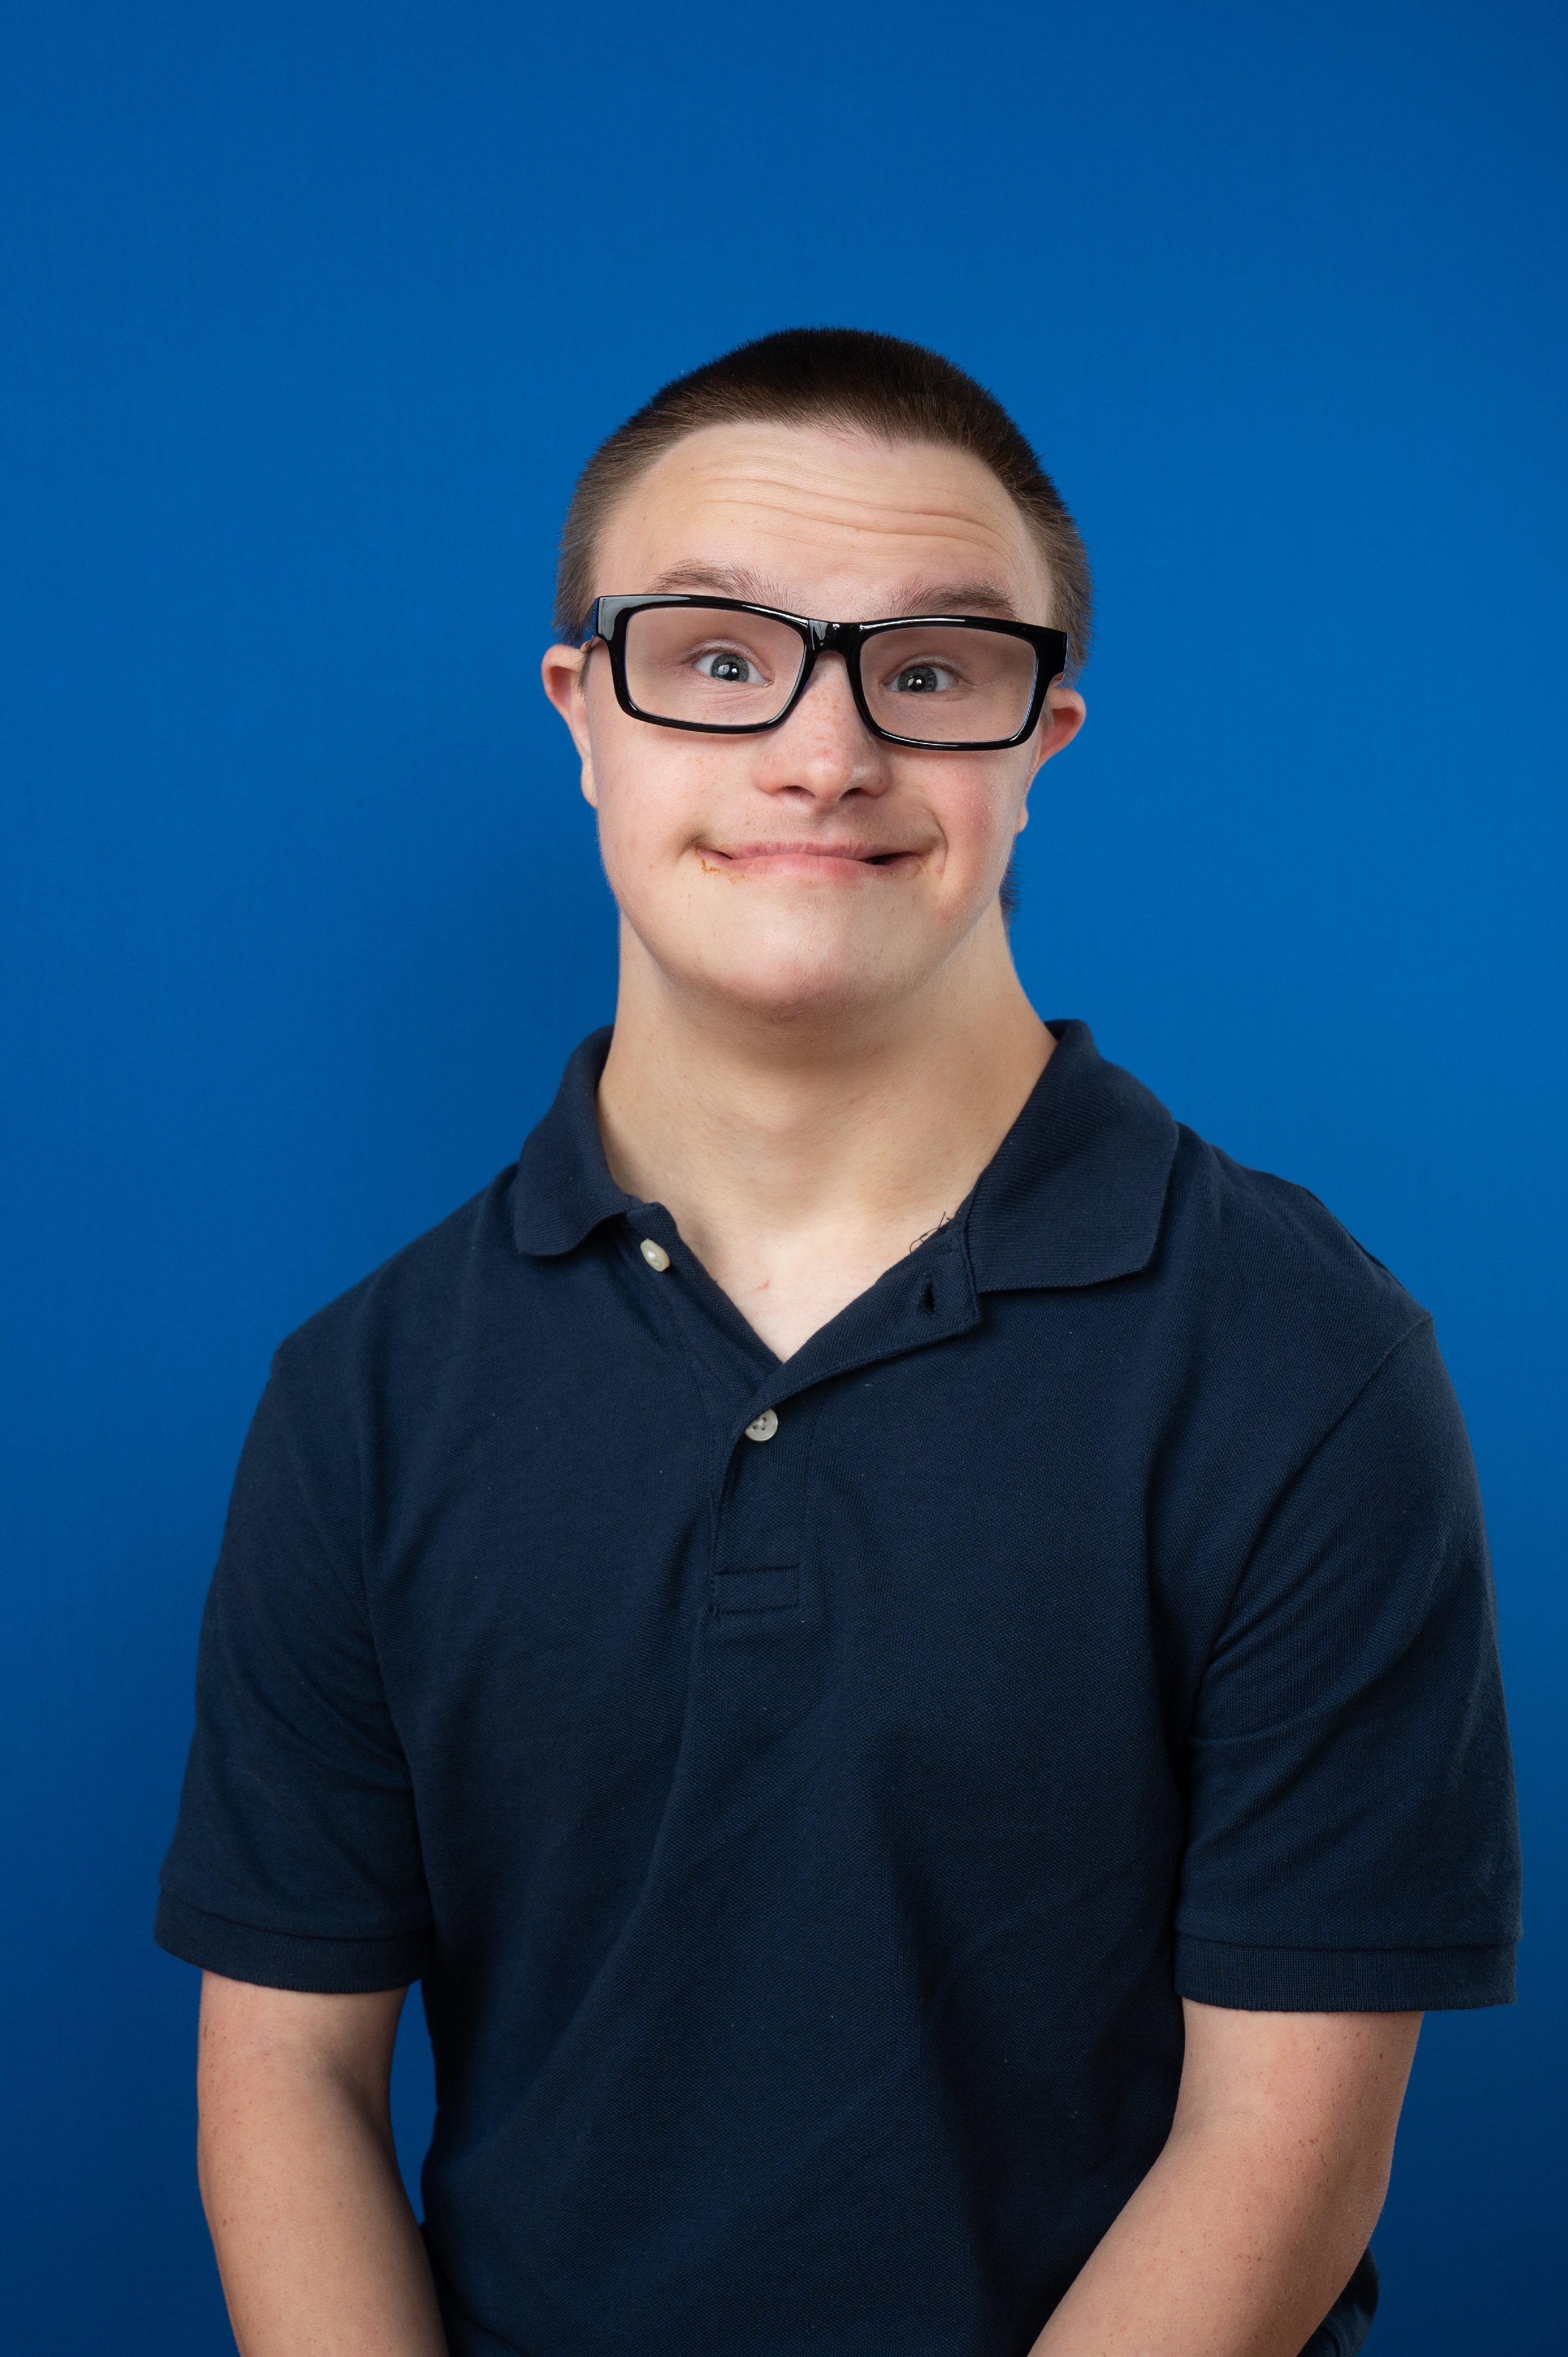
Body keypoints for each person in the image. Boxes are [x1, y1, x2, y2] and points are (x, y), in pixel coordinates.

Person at [157, 327, 1520, 2357]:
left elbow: (1280, 2146)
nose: (824, 752)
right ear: (584, 716)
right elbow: (288, 2071)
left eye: (932, 670)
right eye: (718, 656)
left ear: (1043, 739)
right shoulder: (362, 1397)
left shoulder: (1303, 1369)